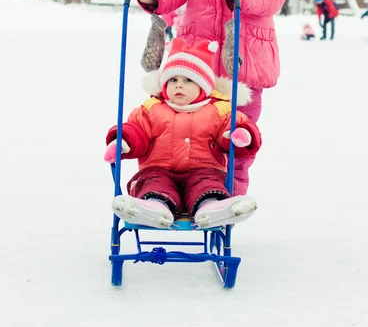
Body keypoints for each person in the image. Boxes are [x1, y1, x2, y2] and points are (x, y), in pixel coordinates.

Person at [133, 0, 286, 195]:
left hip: (241, 64)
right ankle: (192, 193)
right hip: (196, 63)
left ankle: (230, 199)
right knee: (190, 135)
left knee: (236, 138)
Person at [104, 38, 262, 229]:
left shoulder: (218, 110)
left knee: (208, 184)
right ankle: (154, 207)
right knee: (154, 183)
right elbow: (137, 131)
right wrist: (123, 142)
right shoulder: (152, 109)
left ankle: (211, 208)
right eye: (173, 80)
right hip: (158, 169)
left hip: (204, 170)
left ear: (203, 87)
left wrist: (241, 135)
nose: (179, 85)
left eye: (188, 80)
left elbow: (233, 127)